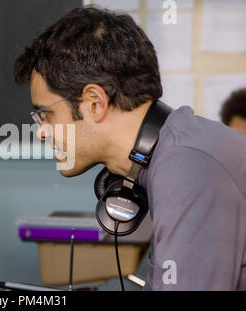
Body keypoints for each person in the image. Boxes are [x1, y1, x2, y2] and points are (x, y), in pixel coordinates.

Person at [14, 7, 246, 290]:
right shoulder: (174, 153)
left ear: (94, 103)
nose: (41, 131)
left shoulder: (188, 168)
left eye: (46, 113)